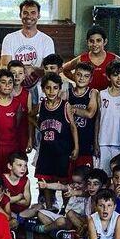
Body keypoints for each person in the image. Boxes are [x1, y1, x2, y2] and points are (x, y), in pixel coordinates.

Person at [34, 73, 79, 205]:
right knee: (45, 181)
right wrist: (38, 125)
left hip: (62, 150)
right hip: (46, 151)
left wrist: (76, 147)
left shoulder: (65, 106)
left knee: (64, 181)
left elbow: (73, 127)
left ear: (60, 89)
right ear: (43, 89)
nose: (51, 91)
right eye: (48, 88)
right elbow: (30, 115)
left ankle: (65, 207)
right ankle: (49, 207)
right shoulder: (41, 105)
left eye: (55, 88)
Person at [0, 69, 27, 178]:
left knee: (9, 180)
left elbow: (19, 128)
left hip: (11, 149)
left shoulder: (17, 105)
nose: (7, 85)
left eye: (10, 82)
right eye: (3, 82)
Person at [96, 62, 120, 174]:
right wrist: (96, 142)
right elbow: (97, 119)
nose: (119, 78)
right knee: (104, 176)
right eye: (115, 75)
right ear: (108, 77)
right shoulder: (101, 95)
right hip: (104, 141)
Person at [0, 0, 56, 68]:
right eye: (25, 13)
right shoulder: (9, 39)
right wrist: (19, 73)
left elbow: (48, 69)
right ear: (20, 15)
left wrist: (32, 70)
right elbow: (5, 66)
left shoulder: (47, 41)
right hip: (15, 78)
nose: (29, 16)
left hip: (40, 79)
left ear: (38, 15)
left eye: (33, 13)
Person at [62, 25, 120, 90]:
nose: (95, 44)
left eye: (98, 40)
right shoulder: (81, 59)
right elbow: (65, 69)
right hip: (87, 97)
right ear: (87, 42)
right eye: (91, 41)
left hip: (108, 97)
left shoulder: (113, 58)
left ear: (105, 42)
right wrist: (79, 81)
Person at [67, 63, 98, 173]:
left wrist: (73, 109)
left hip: (86, 143)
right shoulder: (67, 93)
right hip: (68, 142)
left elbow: (90, 113)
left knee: (85, 177)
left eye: (86, 76)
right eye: (79, 74)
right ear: (74, 75)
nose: (81, 78)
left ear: (90, 79)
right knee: (68, 179)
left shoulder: (93, 93)